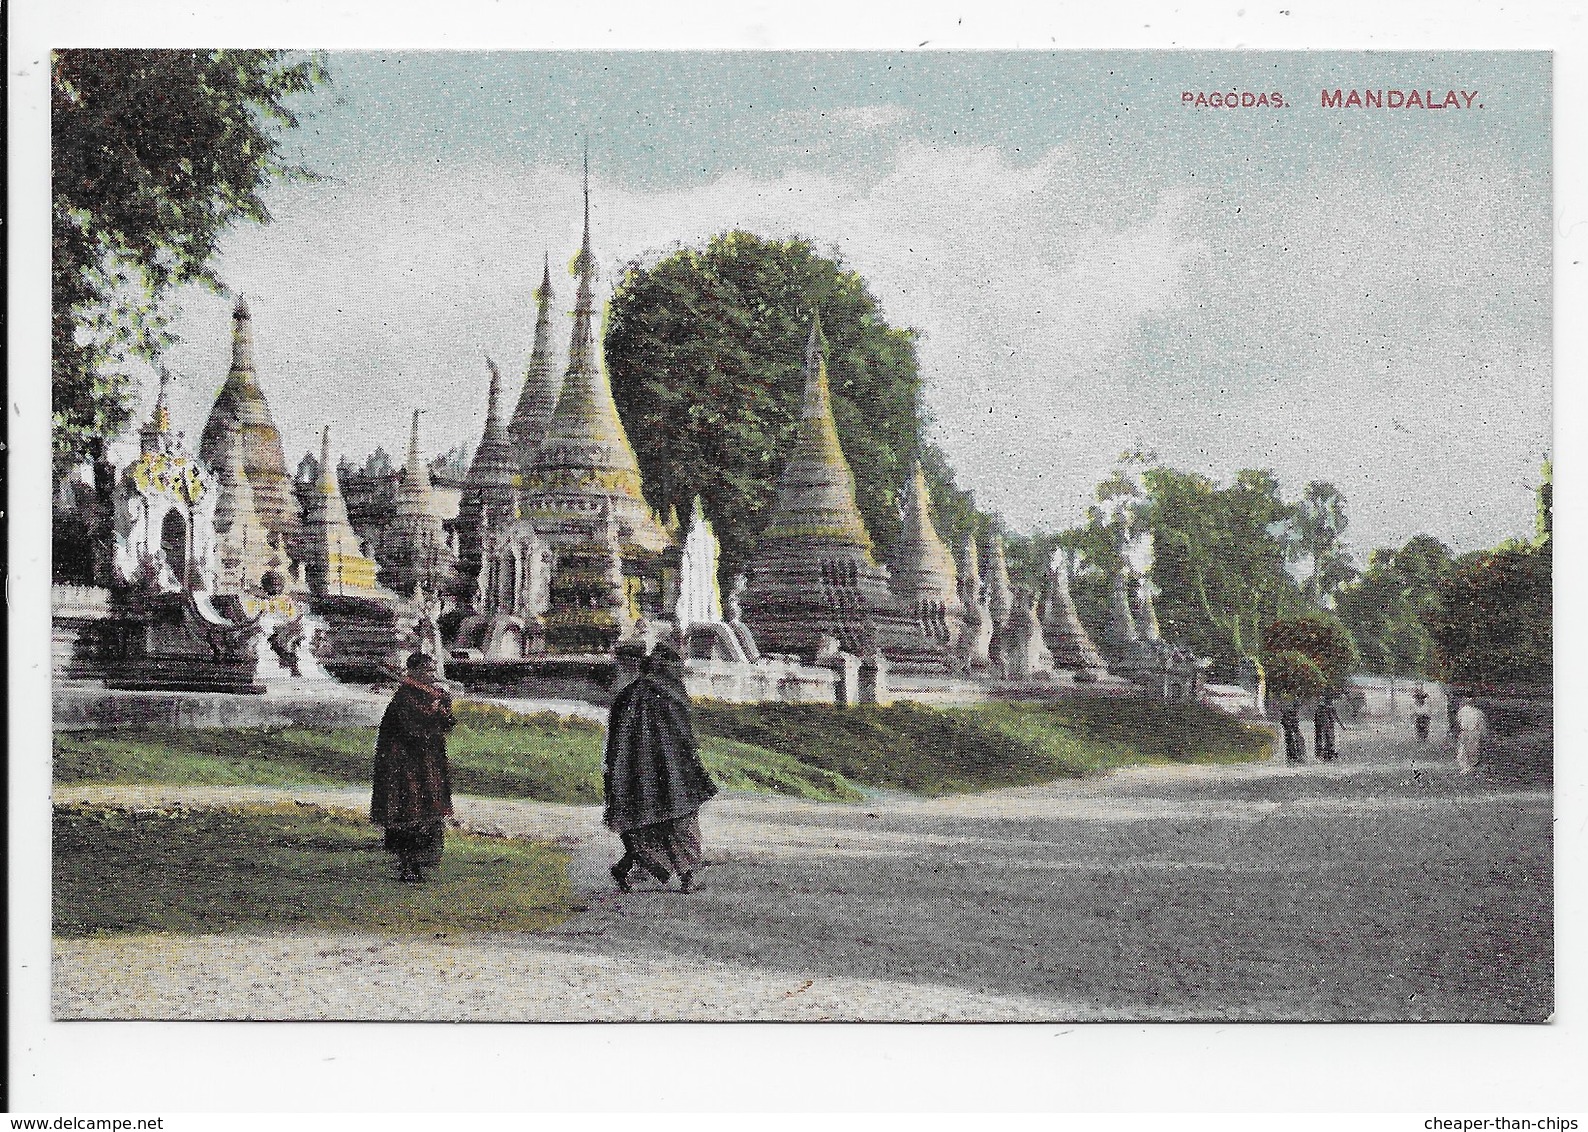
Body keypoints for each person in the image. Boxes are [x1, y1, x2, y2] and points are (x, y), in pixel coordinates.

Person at [603, 644, 718, 893]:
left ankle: (626, 870)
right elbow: (685, 736)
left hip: (639, 773)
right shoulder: (671, 694)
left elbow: (616, 739)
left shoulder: (629, 694)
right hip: (672, 771)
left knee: (647, 823)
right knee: (680, 822)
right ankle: (689, 878)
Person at [371, 652, 456, 883]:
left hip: (426, 764)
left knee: (429, 813)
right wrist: (434, 708)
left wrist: (444, 704)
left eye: (432, 670)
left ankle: (424, 863)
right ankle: (408, 866)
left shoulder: (427, 695)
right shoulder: (404, 698)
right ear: (415, 671)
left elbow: (446, 724)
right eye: (427, 670)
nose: (432, 675)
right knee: (408, 814)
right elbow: (413, 731)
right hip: (405, 766)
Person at [1455, 696, 1487, 775]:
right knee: (1470, 749)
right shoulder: (1478, 712)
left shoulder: (1464, 711)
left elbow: (1459, 721)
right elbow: (1482, 726)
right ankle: (1468, 766)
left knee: (1466, 749)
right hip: (1472, 732)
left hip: (1468, 731)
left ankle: (1468, 767)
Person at [1313, 692, 1340, 761]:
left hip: (1324, 727)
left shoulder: (1323, 708)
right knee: (1327, 739)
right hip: (1325, 727)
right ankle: (1326, 753)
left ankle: (1324, 753)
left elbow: (1335, 717)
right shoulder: (1329, 708)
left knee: (1325, 739)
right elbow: (1335, 717)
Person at [1279, 695, 1306, 763]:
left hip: (1290, 731)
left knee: (1295, 741)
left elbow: (1285, 722)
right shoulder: (1291, 711)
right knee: (1293, 742)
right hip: (1289, 731)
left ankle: (1294, 756)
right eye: (1298, 706)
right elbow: (1284, 721)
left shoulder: (1293, 712)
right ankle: (1294, 757)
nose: (1298, 708)